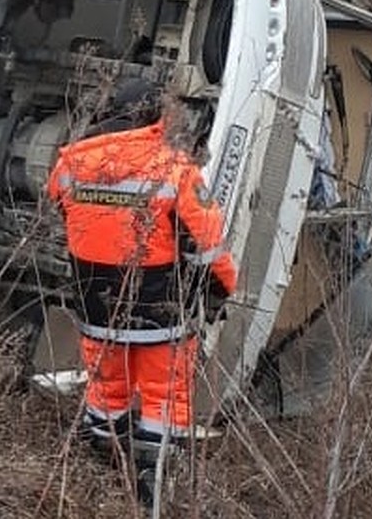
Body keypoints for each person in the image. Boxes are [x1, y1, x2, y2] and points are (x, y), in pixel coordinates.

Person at [46, 78, 238, 504]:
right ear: (157, 116)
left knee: (106, 387)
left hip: (95, 306)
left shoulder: (71, 164)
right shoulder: (176, 171)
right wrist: (221, 290)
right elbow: (208, 245)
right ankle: (153, 483)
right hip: (160, 310)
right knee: (164, 395)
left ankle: (99, 470)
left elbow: (62, 210)